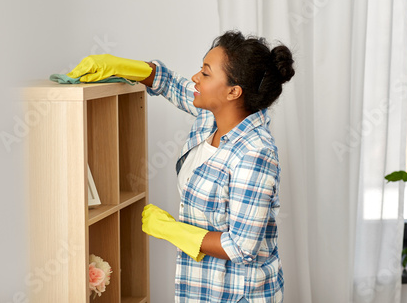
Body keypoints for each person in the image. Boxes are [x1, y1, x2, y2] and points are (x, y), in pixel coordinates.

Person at [67, 30, 295, 302]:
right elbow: (171, 84)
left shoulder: (255, 153)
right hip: (204, 287)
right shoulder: (213, 116)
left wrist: (173, 230)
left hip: (238, 294)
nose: (196, 77)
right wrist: (124, 66)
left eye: (206, 73)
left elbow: (242, 247)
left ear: (233, 91)